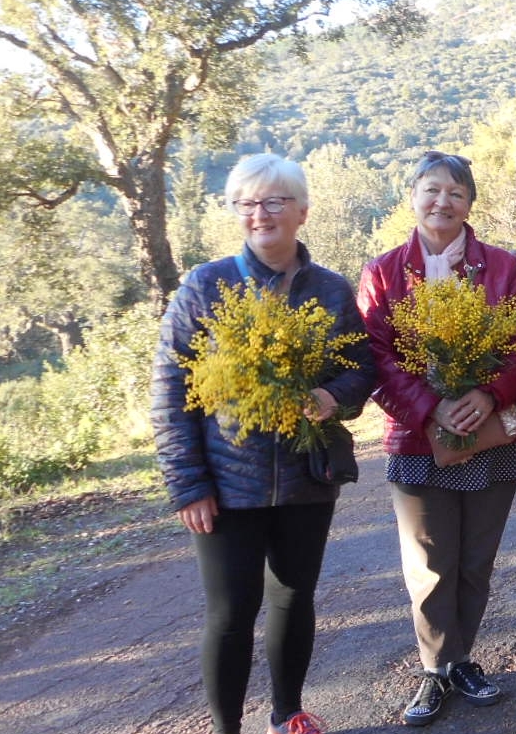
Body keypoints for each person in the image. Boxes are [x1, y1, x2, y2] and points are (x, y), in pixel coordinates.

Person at [152, 154, 376, 734]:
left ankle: (286, 715)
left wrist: (333, 398)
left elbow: (360, 368)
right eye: (247, 203)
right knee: (230, 615)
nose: (261, 214)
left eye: (275, 200)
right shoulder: (205, 286)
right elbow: (171, 394)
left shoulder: (329, 289)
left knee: (294, 599)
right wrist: (188, 485)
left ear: (301, 211)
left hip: (308, 477)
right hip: (227, 486)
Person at [357, 151, 516, 727]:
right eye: (432, 190)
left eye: (456, 193)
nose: (443, 202)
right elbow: (375, 357)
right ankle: (437, 667)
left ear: (470, 204)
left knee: (475, 560)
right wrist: (431, 407)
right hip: (416, 439)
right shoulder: (384, 272)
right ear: (413, 196)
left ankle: (462, 659)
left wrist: (488, 394)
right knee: (430, 564)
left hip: (489, 435)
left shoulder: (500, 268)